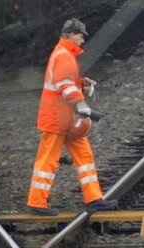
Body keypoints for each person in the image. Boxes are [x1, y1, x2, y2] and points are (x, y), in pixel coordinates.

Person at [27, 18, 117, 216]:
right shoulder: (64, 55)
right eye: (81, 35)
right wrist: (81, 104)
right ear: (70, 35)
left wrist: (81, 82)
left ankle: (94, 199)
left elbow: (66, 81)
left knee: (84, 156)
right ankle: (36, 202)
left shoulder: (64, 54)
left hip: (67, 118)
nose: (83, 40)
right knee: (48, 160)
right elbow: (64, 86)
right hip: (58, 118)